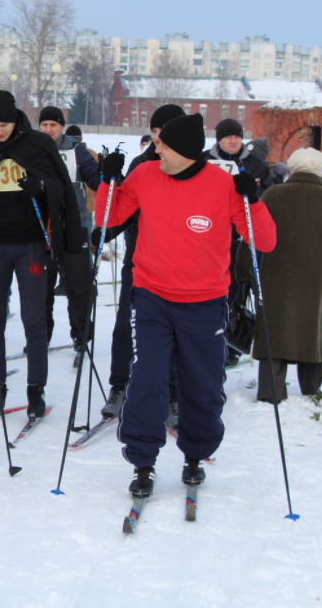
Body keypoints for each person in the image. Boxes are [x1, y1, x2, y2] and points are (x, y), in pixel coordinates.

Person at [96, 113, 276, 498]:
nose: (154, 146)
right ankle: (143, 461)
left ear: (182, 151)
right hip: (152, 298)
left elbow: (265, 241)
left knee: (203, 385)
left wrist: (253, 200)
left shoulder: (222, 185)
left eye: (162, 144)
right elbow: (106, 219)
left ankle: (195, 455)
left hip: (206, 302)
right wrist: (107, 182)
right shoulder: (144, 176)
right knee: (147, 381)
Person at [0, 91, 83, 419]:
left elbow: (61, 188)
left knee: (34, 320)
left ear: (16, 120)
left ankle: (35, 391)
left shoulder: (38, 144)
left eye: (4, 125)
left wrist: (40, 187)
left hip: (31, 244)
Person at [99, 104, 185, 420]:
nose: (157, 141)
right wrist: (103, 230)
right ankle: (120, 386)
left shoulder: (192, 166)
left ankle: (174, 394)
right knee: (125, 326)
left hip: (179, 266)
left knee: (175, 334)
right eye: (154, 134)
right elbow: (120, 213)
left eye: (162, 134)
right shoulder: (142, 163)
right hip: (140, 261)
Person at [235, 148, 322, 402]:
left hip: (275, 273)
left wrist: (243, 271)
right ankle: (311, 392)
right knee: (314, 329)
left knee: (274, 330)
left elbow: (252, 232)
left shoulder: (273, 194)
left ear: (291, 168)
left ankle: (271, 393)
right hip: (321, 276)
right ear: (320, 170)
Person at [206, 118, 273, 368]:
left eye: (237, 136)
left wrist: (254, 197)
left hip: (241, 237)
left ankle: (232, 342)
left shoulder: (255, 163)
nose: (233, 140)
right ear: (219, 139)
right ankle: (208, 338)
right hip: (209, 234)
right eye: (228, 136)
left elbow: (269, 193)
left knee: (236, 289)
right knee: (211, 289)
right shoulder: (205, 160)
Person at [38, 105, 99, 357]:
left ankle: (82, 334)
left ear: (62, 126)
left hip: (75, 228)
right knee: (42, 288)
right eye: (44, 125)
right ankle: (41, 336)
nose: (49, 129)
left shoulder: (77, 150)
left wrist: (106, 173)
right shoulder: (33, 149)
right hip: (43, 229)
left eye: (54, 125)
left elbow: (95, 180)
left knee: (79, 287)